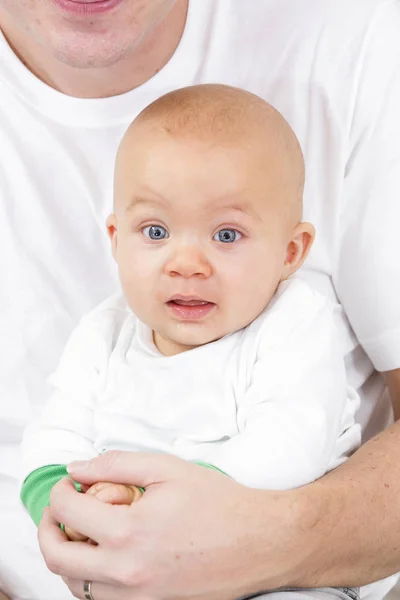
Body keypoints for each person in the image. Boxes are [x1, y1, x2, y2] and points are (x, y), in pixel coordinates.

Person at [0, 0, 400, 599]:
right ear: (117, 238)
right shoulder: (108, 330)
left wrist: (165, 515)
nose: (187, 263)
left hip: (267, 567)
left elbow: (290, 440)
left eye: (228, 236)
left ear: (292, 253)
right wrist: (65, 495)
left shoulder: (294, 323)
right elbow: (59, 425)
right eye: (155, 234)